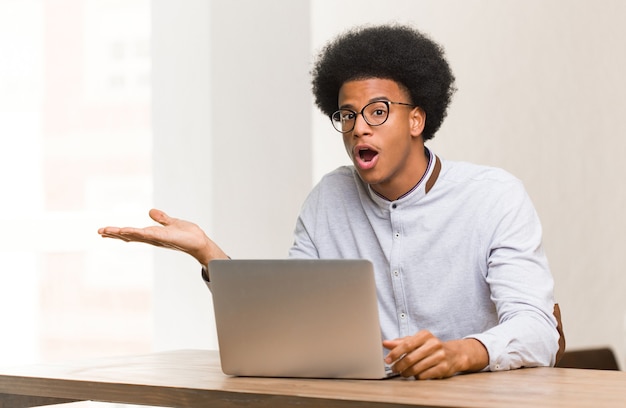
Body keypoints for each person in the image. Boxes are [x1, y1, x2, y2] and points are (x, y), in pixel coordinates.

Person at [98, 24, 562, 380]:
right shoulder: (328, 199)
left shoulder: (494, 197)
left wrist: (462, 352)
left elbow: (540, 332)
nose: (360, 127)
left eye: (378, 111)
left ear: (418, 118)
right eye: (347, 114)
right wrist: (209, 255)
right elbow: (285, 322)